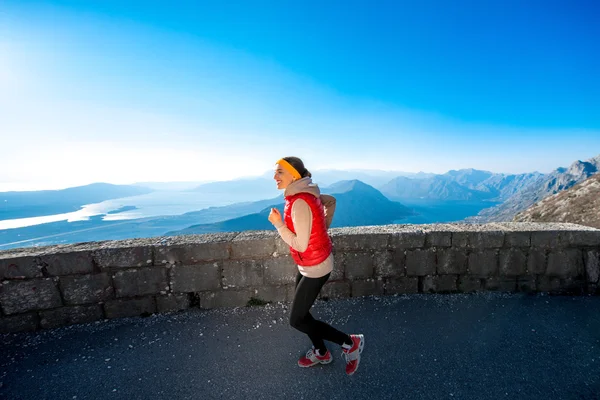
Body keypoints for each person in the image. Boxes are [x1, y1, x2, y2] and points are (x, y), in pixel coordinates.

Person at [267, 156, 365, 376]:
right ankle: (321, 352)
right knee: (302, 314)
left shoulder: (300, 202)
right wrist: (321, 229)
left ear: (294, 174)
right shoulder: (306, 194)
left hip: (315, 266)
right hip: (311, 262)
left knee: (296, 319)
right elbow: (330, 202)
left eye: (280, 172)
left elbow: (300, 244)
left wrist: (278, 224)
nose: (274, 176)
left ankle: (350, 342)